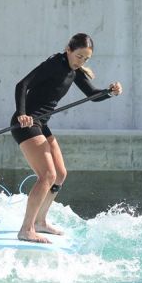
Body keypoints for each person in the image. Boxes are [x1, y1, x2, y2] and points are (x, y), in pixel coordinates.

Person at [11, 32, 122, 243]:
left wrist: (110, 92)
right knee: (47, 175)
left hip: (41, 123)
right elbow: (22, 85)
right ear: (69, 50)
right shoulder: (55, 63)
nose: (81, 61)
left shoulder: (75, 70)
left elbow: (92, 96)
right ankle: (26, 229)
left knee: (60, 174)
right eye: (79, 56)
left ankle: (40, 222)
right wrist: (22, 114)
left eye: (86, 59)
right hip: (26, 124)